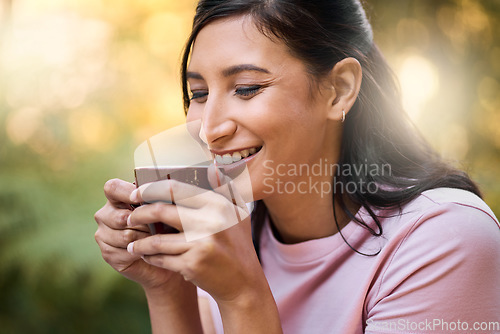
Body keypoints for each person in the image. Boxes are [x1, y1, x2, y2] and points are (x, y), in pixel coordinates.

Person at [94, 0, 500, 333]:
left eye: (246, 88)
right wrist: (167, 288)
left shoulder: (444, 239)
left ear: (338, 90)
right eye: (198, 93)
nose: (209, 129)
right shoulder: (229, 234)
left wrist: (244, 297)